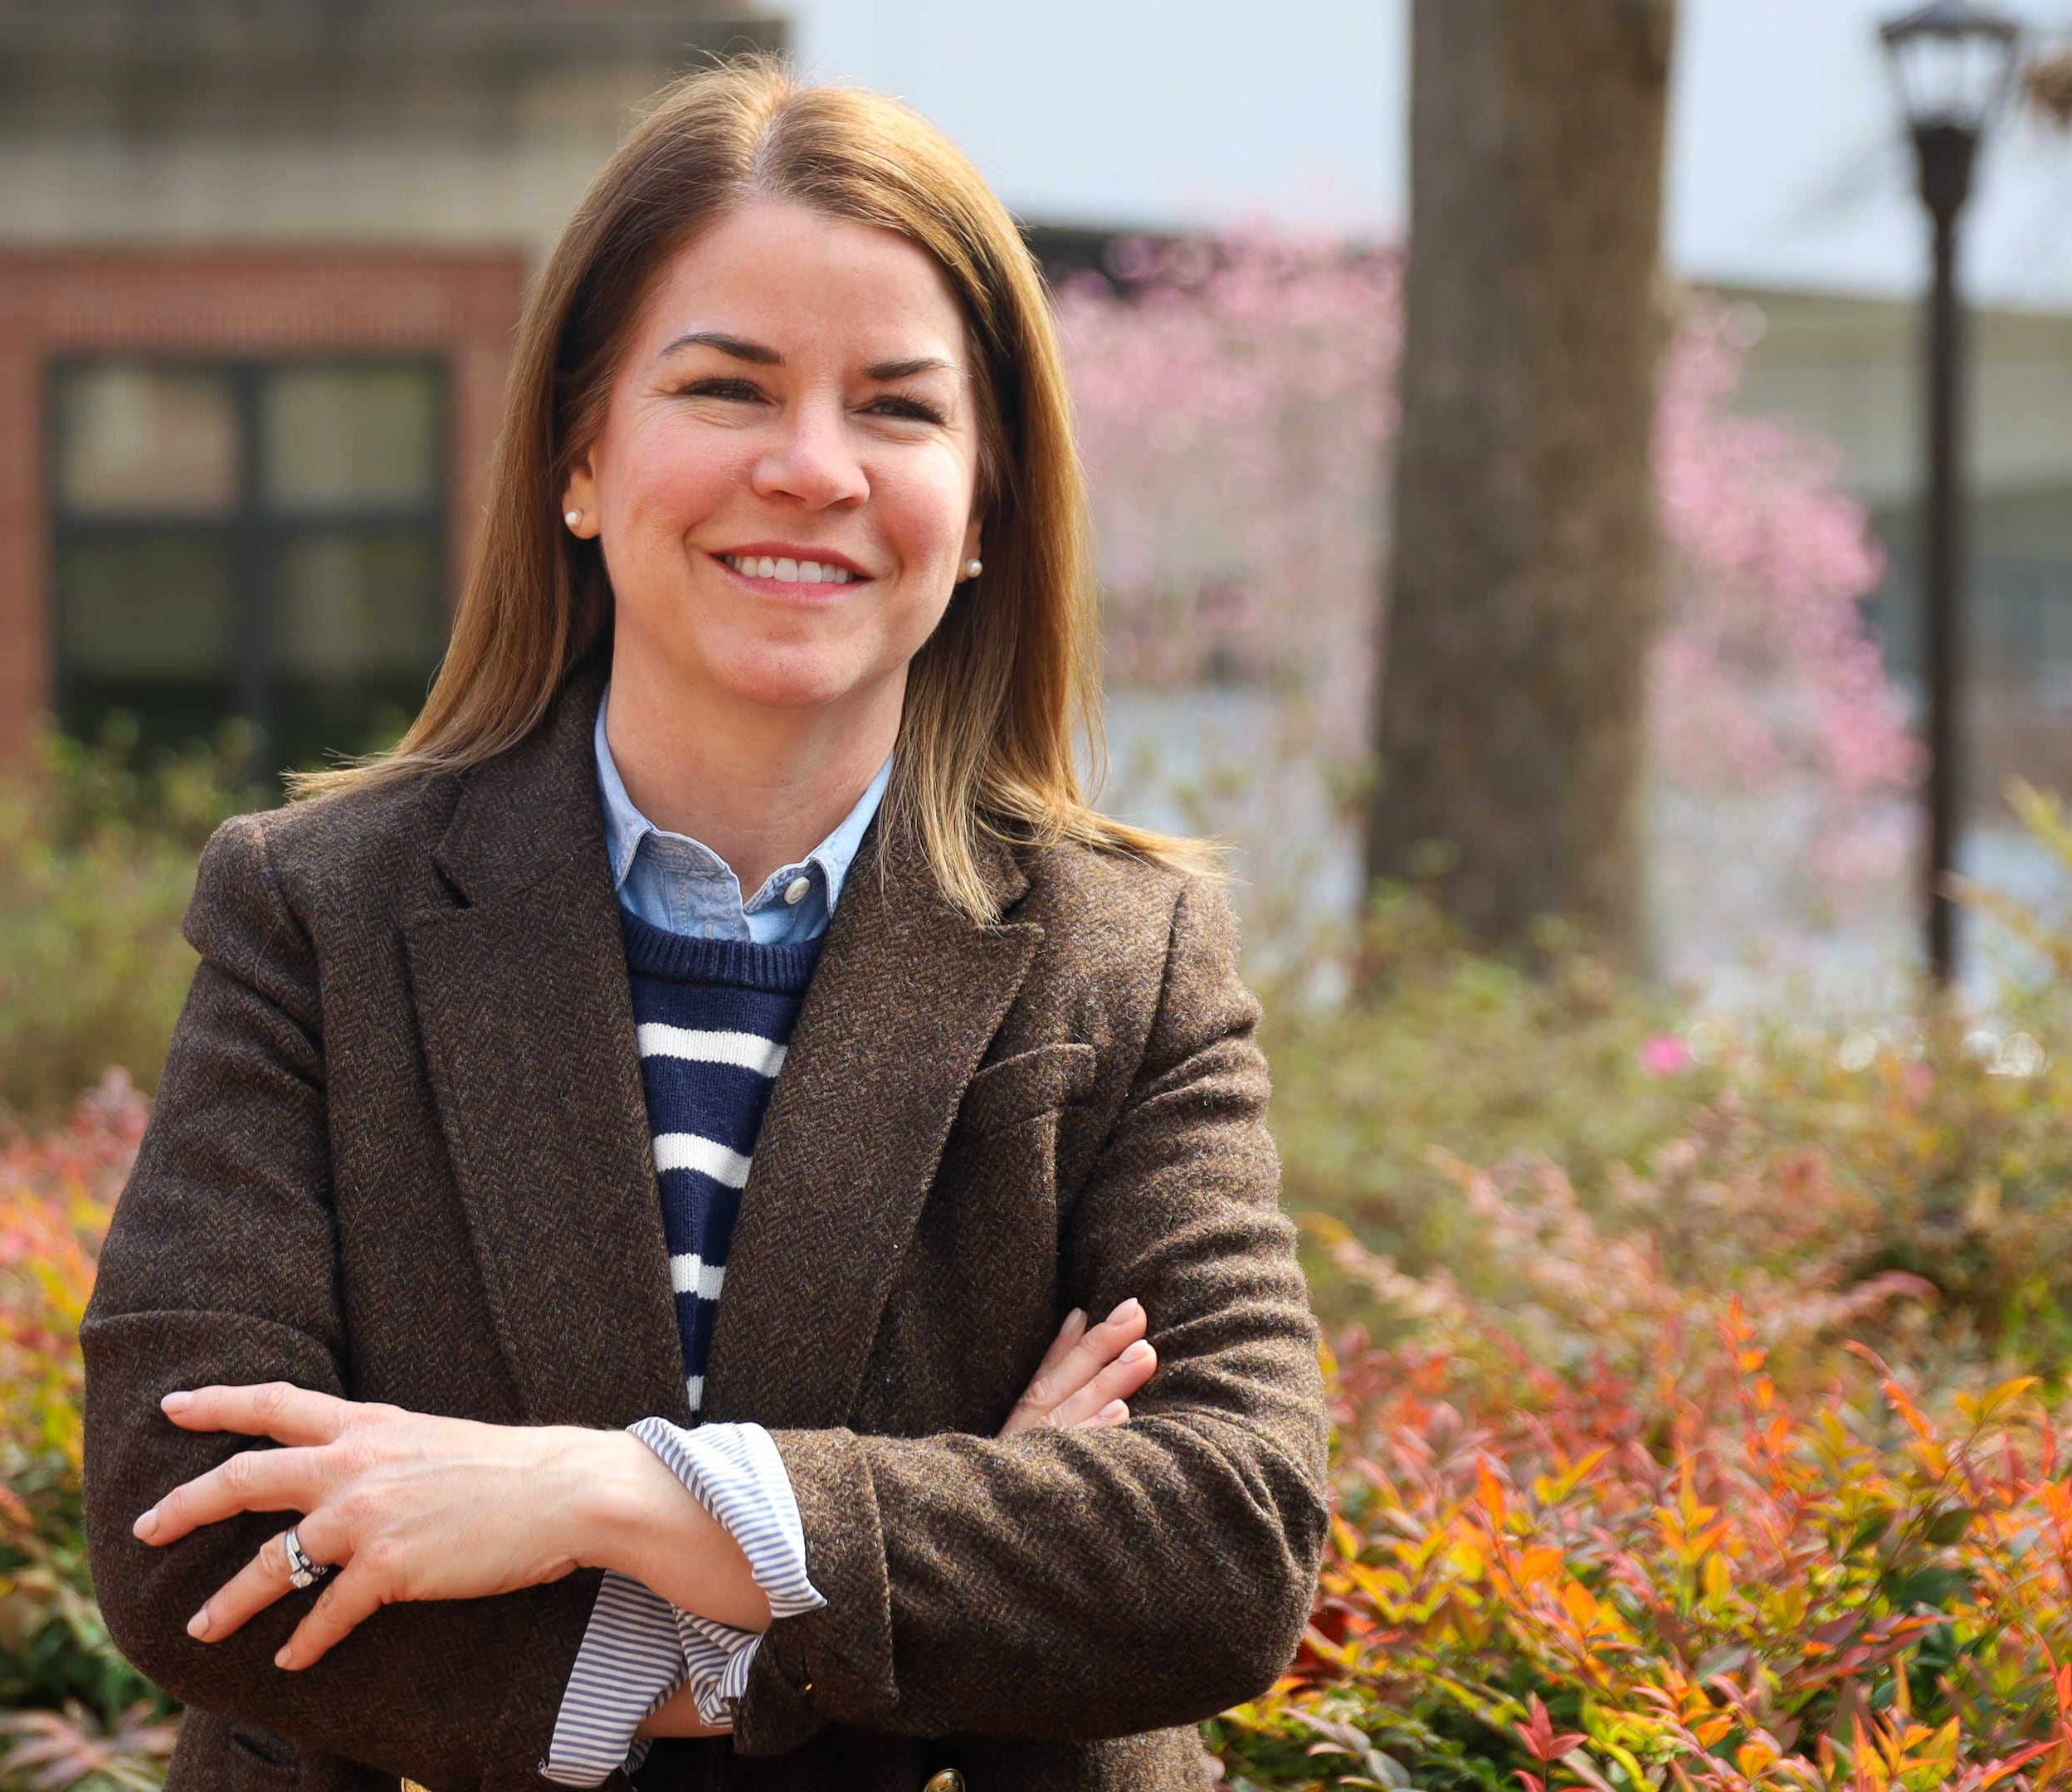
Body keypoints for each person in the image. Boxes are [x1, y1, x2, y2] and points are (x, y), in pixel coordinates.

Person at [81, 57, 1326, 1792]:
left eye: (897, 409)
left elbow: (1228, 1540)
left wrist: (598, 1494)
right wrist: (929, 1597)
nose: (810, 468)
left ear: (985, 506)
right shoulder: (320, 914)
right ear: (581, 457)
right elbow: (194, 1538)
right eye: (727, 387)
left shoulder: (1127, 956)